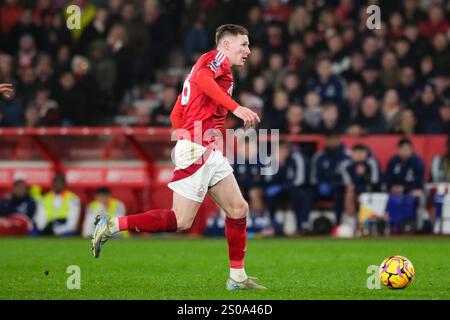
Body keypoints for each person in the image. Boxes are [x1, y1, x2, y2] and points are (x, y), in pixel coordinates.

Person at [91, 24, 266, 290]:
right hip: (198, 148)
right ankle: (112, 224)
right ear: (226, 45)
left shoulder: (206, 67)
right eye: (244, 44)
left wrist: (199, 133)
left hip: (206, 147)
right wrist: (236, 108)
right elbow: (204, 81)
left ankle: (237, 277)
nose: (248, 51)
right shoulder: (216, 60)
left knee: (238, 209)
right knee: (181, 221)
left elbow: (176, 113)